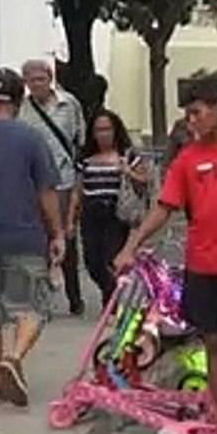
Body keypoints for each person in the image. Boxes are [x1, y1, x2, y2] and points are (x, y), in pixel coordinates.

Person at [114, 77, 217, 433]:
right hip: (203, 266)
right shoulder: (189, 159)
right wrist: (132, 244)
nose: (191, 121)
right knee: (214, 343)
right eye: (188, 114)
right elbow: (164, 208)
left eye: (196, 112)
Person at [0, 68, 64, 408]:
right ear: (20, 100)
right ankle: (14, 355)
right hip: (23, 235)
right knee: (32, 308)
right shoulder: (31, 138)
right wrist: (58, 233)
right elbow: (47, 190)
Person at [18, 59, 85, 316]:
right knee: (39, 241)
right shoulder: (22, 110)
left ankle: (74, 296)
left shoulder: (69, 104)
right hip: (33, 183)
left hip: (64, 179)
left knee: (66, 237)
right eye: (31, 80)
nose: (37, 84)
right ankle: (41, 298)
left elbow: (80, 137)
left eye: (41, 79)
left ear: (50, 78)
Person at [77, 109, 149, 310]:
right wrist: (69, 218)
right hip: (91, 212)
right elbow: (78, 188)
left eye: (107, 129)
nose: (103, 134)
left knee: (111, 259)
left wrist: (127, 171)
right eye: (99, 130)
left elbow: (145, 180)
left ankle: (112, 303)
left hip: (115, 213)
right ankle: (109, 293)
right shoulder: (86, 157)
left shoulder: (128, 154)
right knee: (92, 262)